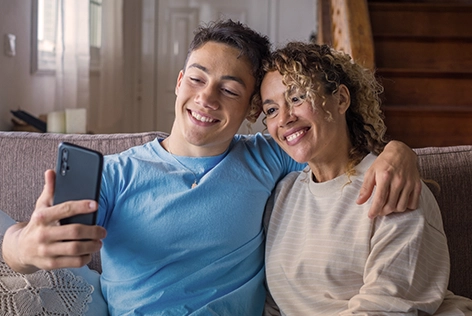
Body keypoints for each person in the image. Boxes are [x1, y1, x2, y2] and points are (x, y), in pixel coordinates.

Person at [3, 21, 421, 315]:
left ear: (251, 109)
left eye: (230, 90)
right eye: (198, 80)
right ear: (180, 81)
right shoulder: (113, 174)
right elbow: (30, 243)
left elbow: (332, 144)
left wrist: (399, 152)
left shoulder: (267, 154)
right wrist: (24, 247)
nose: (207, 99)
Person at [261, 41, 472, 315]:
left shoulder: (393, 185)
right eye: (271, 110)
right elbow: (273, 304)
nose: (284, 118)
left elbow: (386, 308)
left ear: (341, 99)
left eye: (297, 97)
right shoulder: (283, 195)